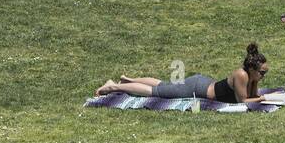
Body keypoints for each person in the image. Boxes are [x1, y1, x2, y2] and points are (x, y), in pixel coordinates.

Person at [97, 43, 271, 105]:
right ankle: (113, 86)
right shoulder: (241, 75)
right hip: (196, 89)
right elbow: (244, 101)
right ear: (252, 69)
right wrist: (263, 99)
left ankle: (128, 79)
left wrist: (257, 87)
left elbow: (252, 95)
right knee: (156, 92)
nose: (264, 76)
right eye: (262, 72)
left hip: (202, 83)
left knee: (163, 84)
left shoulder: (250, 76)